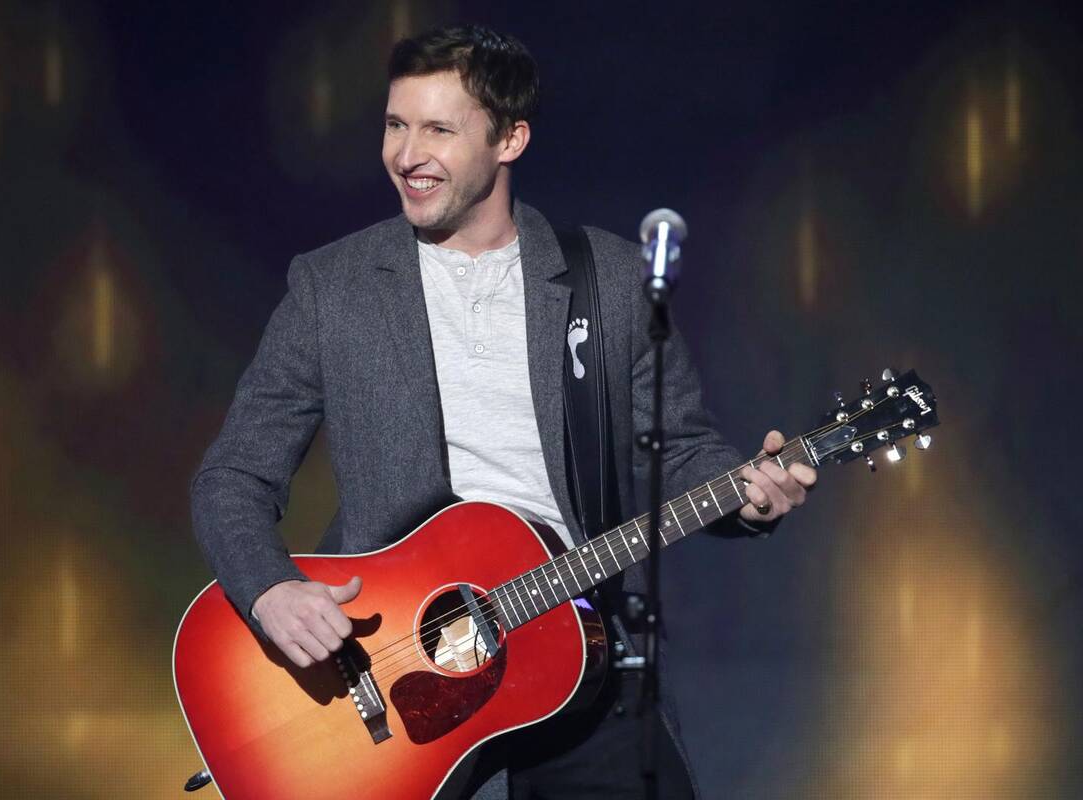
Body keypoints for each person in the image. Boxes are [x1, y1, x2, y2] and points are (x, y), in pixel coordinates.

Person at [191, 24, 817, 800]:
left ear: (510, 139)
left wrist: (750, 494)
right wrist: (269, 591)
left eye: (438, 130)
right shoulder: (333, 288)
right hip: (394, 674)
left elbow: (682, 448)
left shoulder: (609, 280)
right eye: (395, 125)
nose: (406, 154)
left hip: (577, 648)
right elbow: (233, 478)